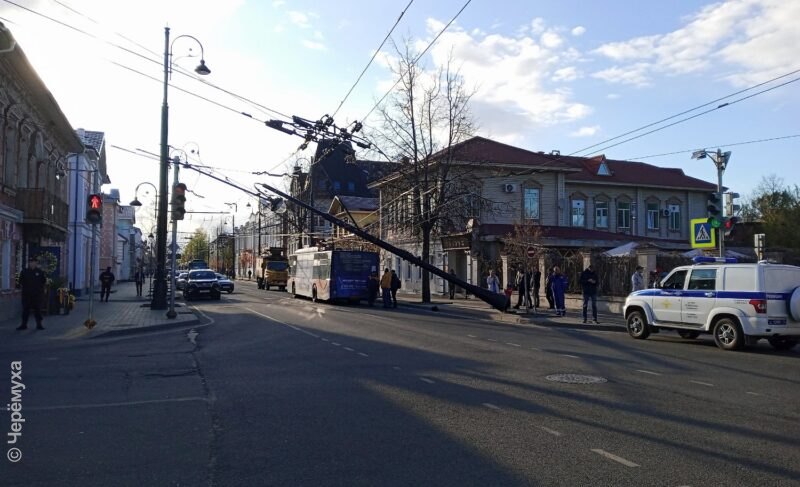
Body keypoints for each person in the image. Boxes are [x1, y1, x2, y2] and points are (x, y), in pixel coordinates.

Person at [17, 257, 46, 331]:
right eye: (31, 262)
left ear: (36, 263)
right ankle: (24, 324)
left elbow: (43, 282)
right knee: (25, 310)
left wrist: (41, 291)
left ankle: (39, 324)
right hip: (27, 294)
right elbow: (20, 281)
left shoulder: (40, 272)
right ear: (29, 263)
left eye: (34, 262)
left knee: (38, 310)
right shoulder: (24, 271)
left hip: (37, 295)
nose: (32, 263)